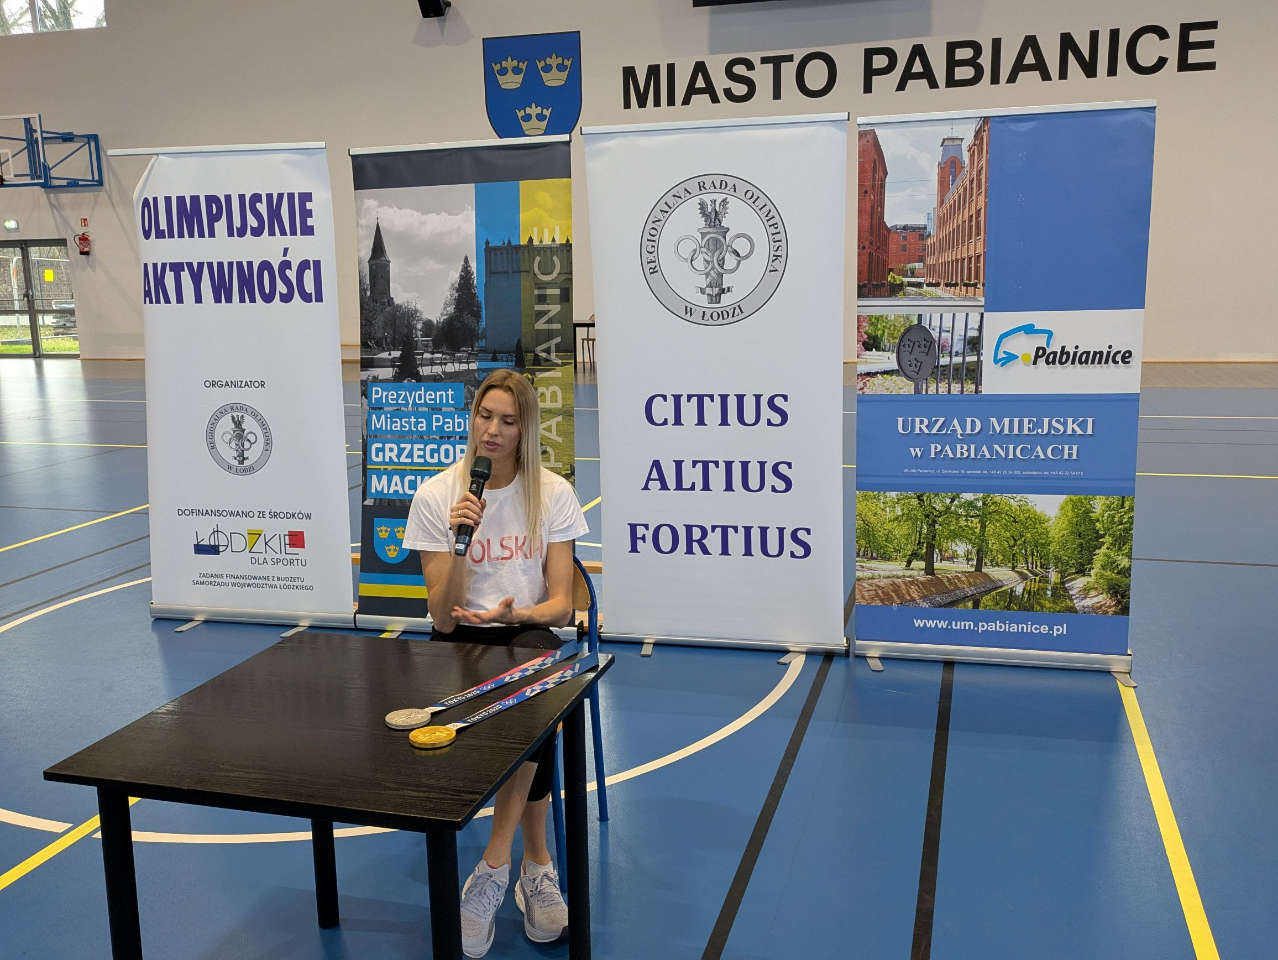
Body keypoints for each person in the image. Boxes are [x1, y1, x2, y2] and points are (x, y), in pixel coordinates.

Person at [401, 368, 589, 959]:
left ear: (524, 429)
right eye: (485, 415)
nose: (493, 430)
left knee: (533, 696)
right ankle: (537, 865)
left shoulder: (552, 493)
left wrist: (518, 614)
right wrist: (462, 538)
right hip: (458, 640)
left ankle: (492, 868)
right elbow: (441, 618)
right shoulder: (437, 496)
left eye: (508, 421)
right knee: (534, 720)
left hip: (526, 633)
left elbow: (563, 604)